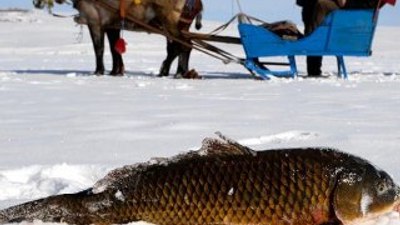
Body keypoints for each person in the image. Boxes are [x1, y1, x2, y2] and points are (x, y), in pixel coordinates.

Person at [297, 0, 383, 77]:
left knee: (320, 5)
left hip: (349, 13)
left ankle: (311, 50)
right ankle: (312, 62)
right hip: (345, 11)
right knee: (311, 6)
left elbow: (344, 3)